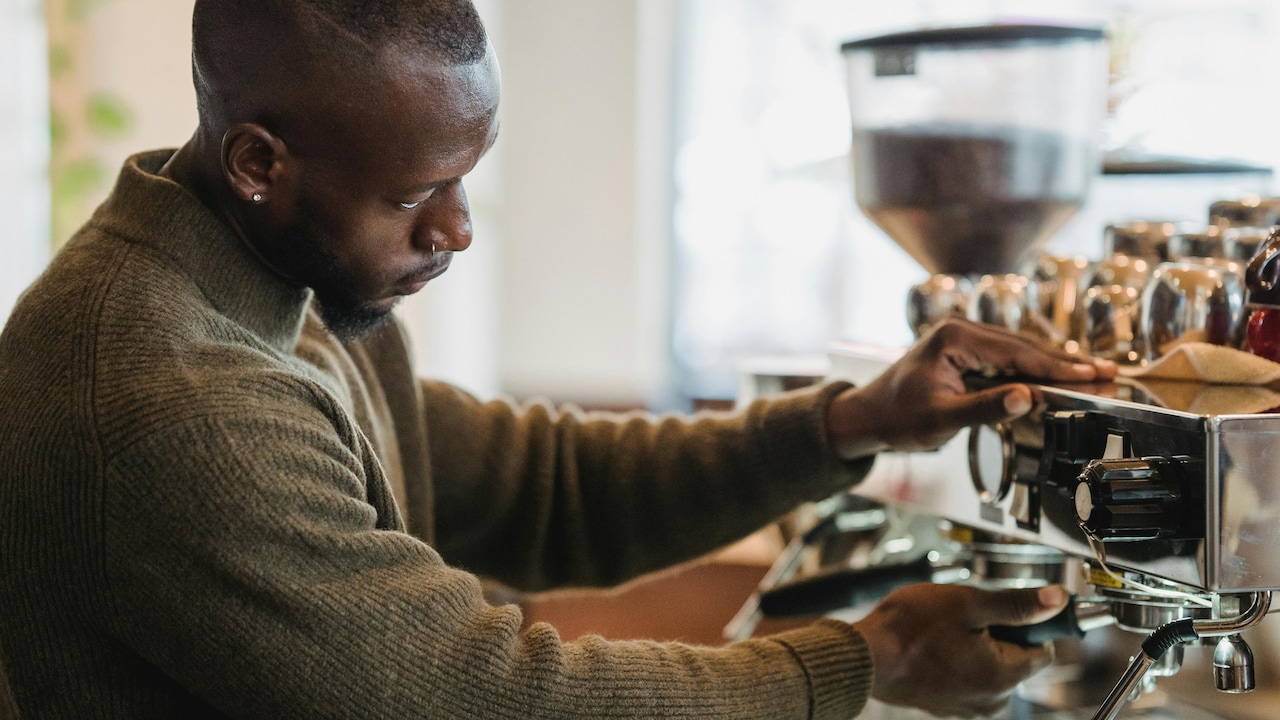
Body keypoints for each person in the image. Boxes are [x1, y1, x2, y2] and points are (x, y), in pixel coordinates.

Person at [0, 1, 1116, 718]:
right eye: (412, 196)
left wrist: (846, 424)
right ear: (258, 161)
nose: (455, 232)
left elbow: (538, 485)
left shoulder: (275, 285)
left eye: (461, 178)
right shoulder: (170, 402)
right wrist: (867, 658)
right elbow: (476, 699)